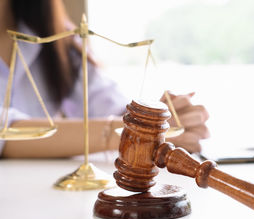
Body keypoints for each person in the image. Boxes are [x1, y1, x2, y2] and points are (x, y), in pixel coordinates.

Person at [0, 0, 209, 158]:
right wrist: (137, 133)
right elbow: (5, 133)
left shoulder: (53, 36)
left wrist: (161, 120)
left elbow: (110, 105)